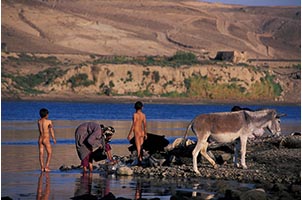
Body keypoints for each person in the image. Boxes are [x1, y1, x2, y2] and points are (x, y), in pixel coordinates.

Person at [38, 108, 56, 172]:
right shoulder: (49, 121)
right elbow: (51, 130)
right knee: (49, 153)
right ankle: (46, 167)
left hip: (40, 138)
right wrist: (53, 138)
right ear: (46, 115)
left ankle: (42, 167)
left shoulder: (39, 121)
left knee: (41, 153)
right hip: (46, 138)